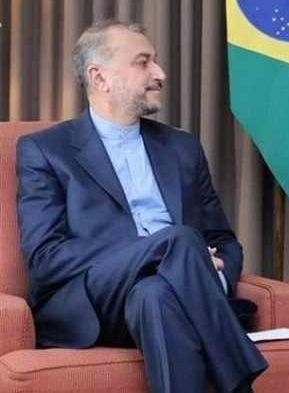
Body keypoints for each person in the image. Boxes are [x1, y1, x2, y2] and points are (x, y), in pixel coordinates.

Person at [16, 20, 267, 393]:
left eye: (156, 61)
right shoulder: (45, 151)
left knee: (155, 294)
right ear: (99, 77)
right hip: (90, 300)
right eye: (143, 62)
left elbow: (223, 240)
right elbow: (46, 257)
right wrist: (160, 250)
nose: (160, 73)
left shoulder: (182, 148)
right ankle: (241, 381)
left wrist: (206, 277)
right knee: (179, 240)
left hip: (167, 295)